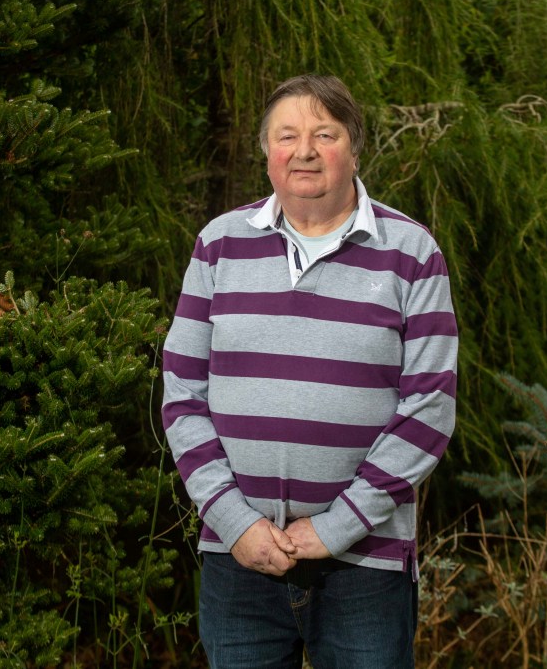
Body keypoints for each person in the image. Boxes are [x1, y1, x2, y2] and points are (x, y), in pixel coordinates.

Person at [161, 74, 458, 668]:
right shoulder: (218, 245)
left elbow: (429, 407)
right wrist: (232, 521)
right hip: (237, 558)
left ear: (354, 146)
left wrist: (339, 526)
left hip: (365, 565)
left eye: (324, 134)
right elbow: (182, 395)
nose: (303, 151)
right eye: (286, 135)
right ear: (265, 151)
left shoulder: (412, 253)